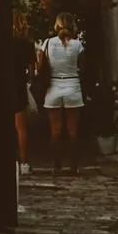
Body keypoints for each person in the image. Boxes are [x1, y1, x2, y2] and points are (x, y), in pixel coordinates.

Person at [40, 13, 86, 175]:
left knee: (55, 130)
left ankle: (56, 166)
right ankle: (74, 166)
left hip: (53, 86)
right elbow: (82, 68)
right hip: (73, 85)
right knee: (72, 130)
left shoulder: (47, 44)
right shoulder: (77, 45)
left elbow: (41, 66)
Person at [13, 15, 35, 175]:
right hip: (19, 85)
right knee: (21, 127)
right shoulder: (27, 45)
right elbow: (32, 71)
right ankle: (24, 163)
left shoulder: (4, 43)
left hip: (3, 84)